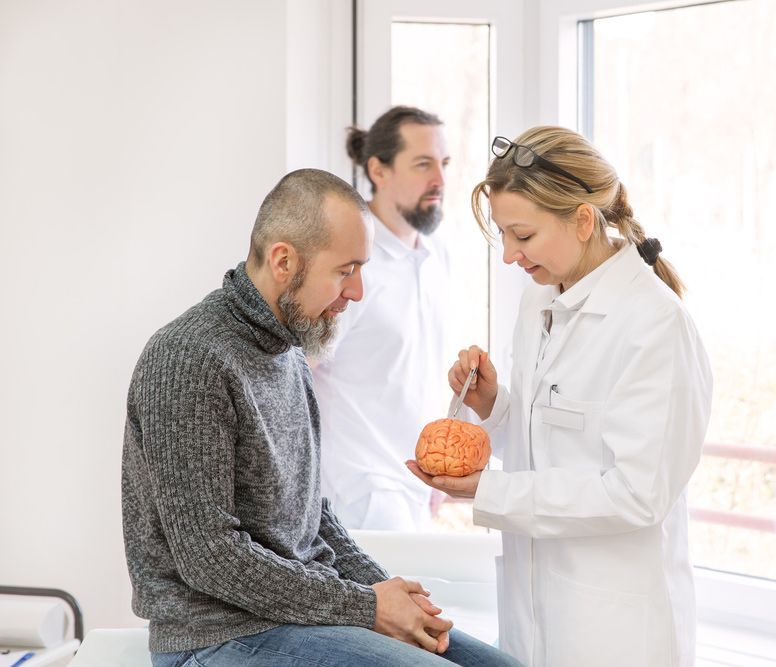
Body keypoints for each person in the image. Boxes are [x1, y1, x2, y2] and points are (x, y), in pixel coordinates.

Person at [121, 168, 519, 667]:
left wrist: (386, 591)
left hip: (303, 615)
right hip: (216, 637)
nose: (357, 292)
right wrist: (368, 606)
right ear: (284, 260)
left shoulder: (289, 351)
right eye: (345, 270)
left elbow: (313, 516)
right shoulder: (189, 357)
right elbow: (211, 558)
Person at [406, 127, 713, 666]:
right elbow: (546, 444)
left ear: (583, 220)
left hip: (613, 633)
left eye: (522, 236)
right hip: (534, 622)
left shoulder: (655, 326)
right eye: (502, 235)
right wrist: (494, 404)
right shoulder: (540, 301)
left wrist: (490, 493)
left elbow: (637, 493)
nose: (508, 256)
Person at [311, 106, 452, 530]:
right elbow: (295, 371)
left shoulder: (436, 256)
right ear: (379, 169)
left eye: (444, 164)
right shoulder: (350, 261)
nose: (440, 181)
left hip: (415, 489)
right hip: (358, 493)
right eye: (423, 164)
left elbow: (419, 374)